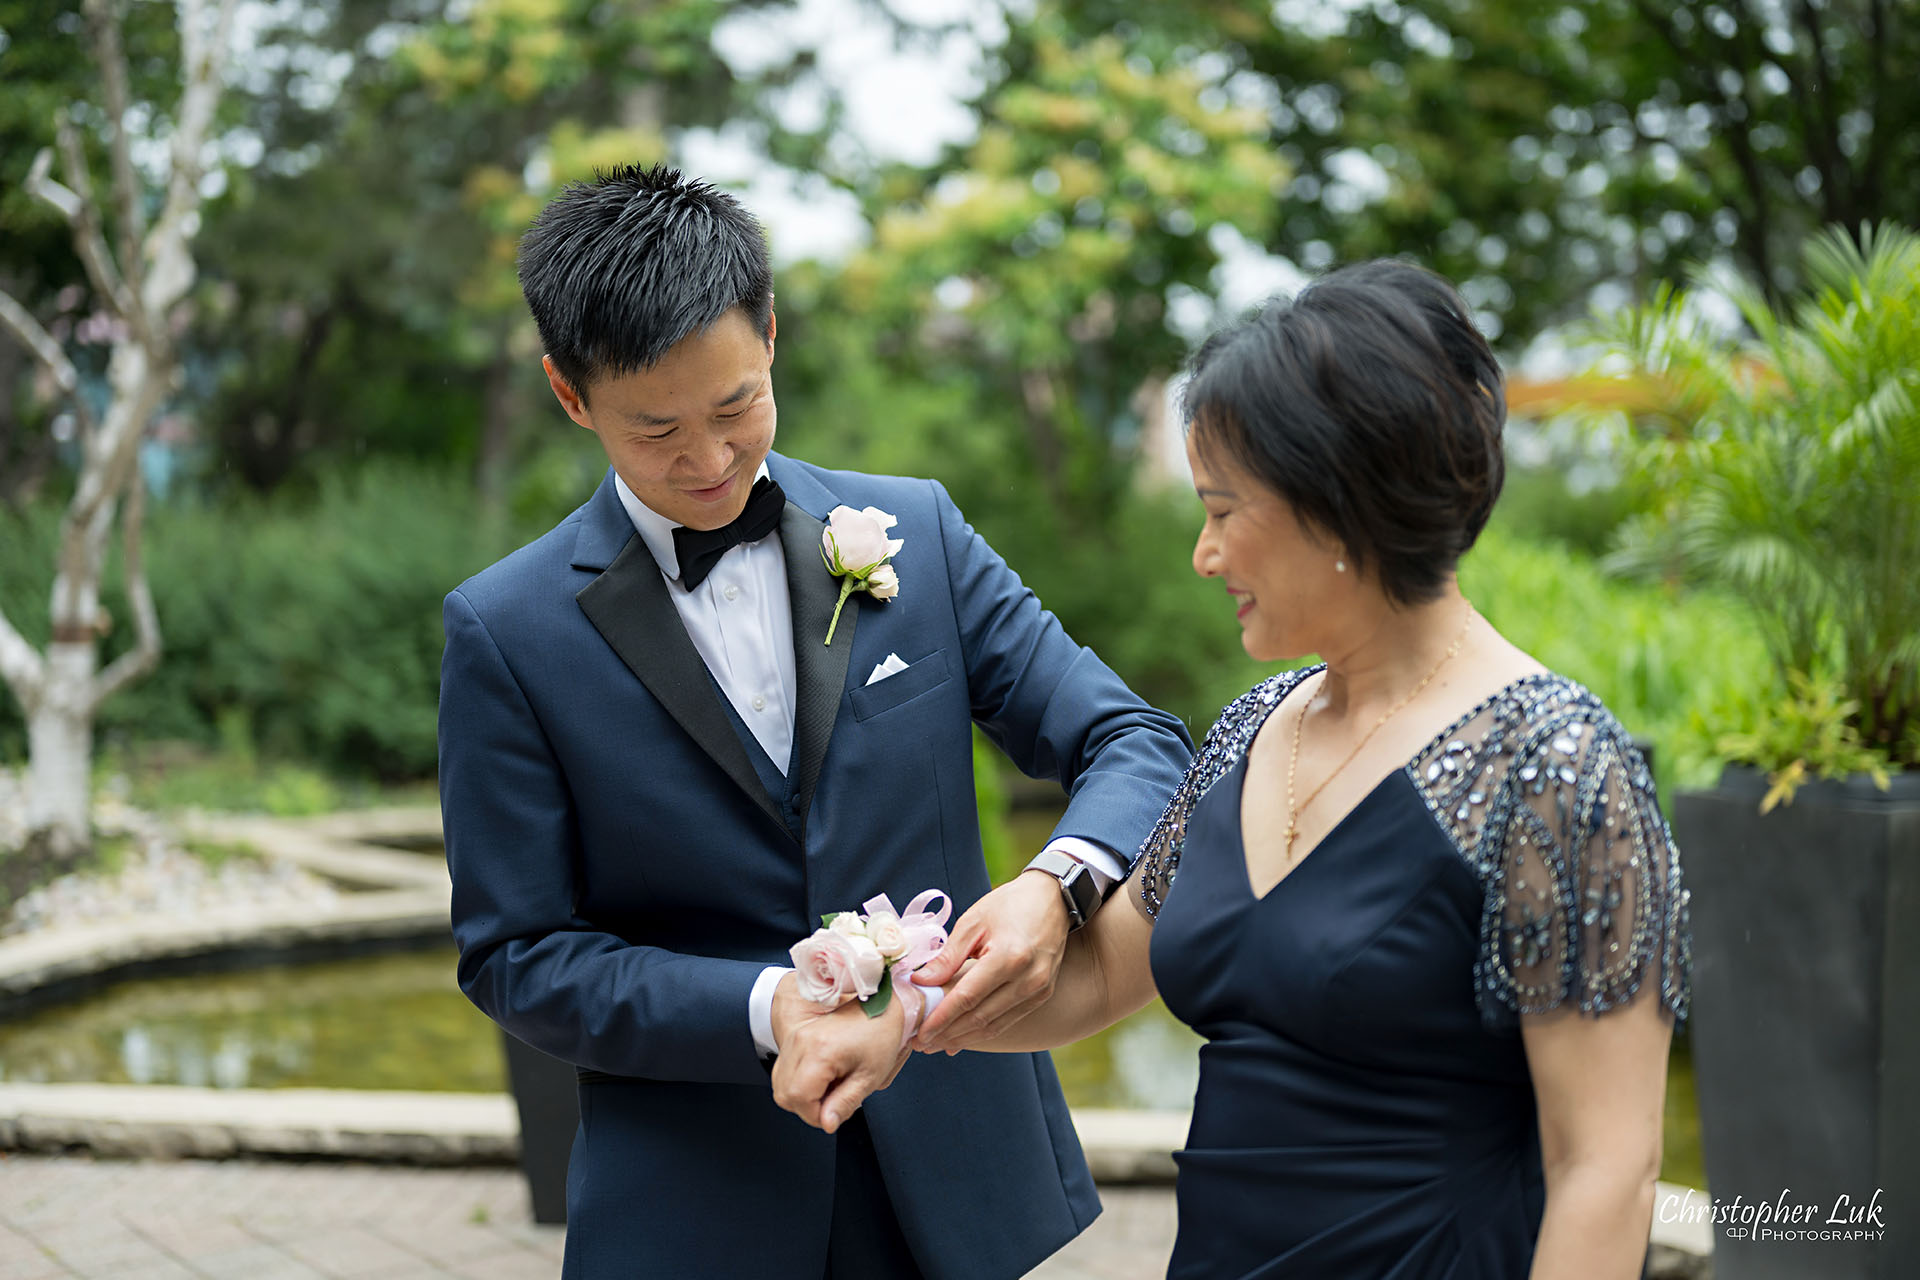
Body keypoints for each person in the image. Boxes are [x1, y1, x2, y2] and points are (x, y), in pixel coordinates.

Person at [436, 163, 1193, 1280]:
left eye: (736, 405)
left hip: (958, 1181)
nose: (708, 460)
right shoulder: (506, 630)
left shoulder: (916, 533)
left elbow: (1132, 738)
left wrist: (1058, 884)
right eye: (657, 430)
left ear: (773, 335)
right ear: (569, 393)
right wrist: (765, 1003)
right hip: (697, 1205)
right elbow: (517, 954)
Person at [874, 260, 1691, 1277]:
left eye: (1223, 510)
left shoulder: (1554, 767)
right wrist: (892, 1001)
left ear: (1336, 502)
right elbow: (1091, 975)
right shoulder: (1255, 727)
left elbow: (1605, 1165)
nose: (1203, 556)